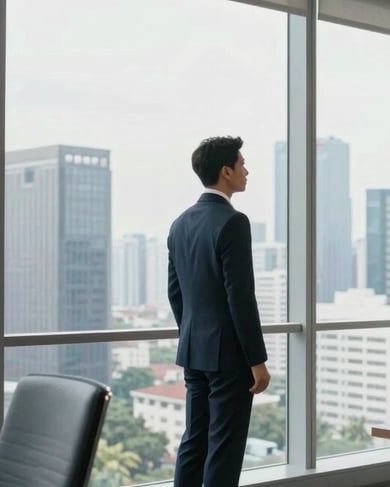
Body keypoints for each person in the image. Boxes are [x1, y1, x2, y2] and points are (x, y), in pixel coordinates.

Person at [167, 136, 271, 487]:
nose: (246, 170)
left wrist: (194, 334)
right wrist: (256, 360)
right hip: (229, 358)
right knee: (224, 450)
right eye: (242, 164)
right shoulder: (233, 221)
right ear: (226, 171)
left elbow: (175, 293)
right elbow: (240, 296)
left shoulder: (179, 224)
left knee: (195, 441)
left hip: (194, 351)